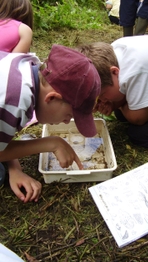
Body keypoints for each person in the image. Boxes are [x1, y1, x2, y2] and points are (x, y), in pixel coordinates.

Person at [0, 45, 101, 203]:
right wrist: (52, 144)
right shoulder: (14, 101)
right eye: (69, 115)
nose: (67, 121)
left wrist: (15, 168)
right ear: (52, 98)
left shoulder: (27, 64)